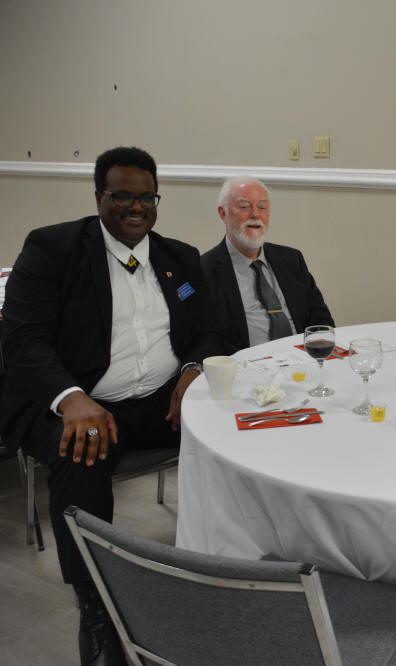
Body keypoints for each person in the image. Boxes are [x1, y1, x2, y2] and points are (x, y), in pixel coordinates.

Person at [0, 147, 224, 665]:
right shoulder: (53, 250)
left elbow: (211, 330)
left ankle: (226, 567)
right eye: (122, 196)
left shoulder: (179, 260)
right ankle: (95, 609)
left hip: (160, 402)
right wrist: (71, 398)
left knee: (230, 425)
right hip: (78, 403)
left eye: (146, 198)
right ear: (99, 196)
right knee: (83, 450)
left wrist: (192, 370)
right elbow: (23, 340)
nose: (135, 207)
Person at [201, 177, 334, 353]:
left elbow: (321, 320)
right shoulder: (204, 270)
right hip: (248, 364)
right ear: (223, 213)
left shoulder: (291, 259)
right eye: (244, 207)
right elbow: (208, 339)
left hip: (302, 359)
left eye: (262, 207)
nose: (255, 214)